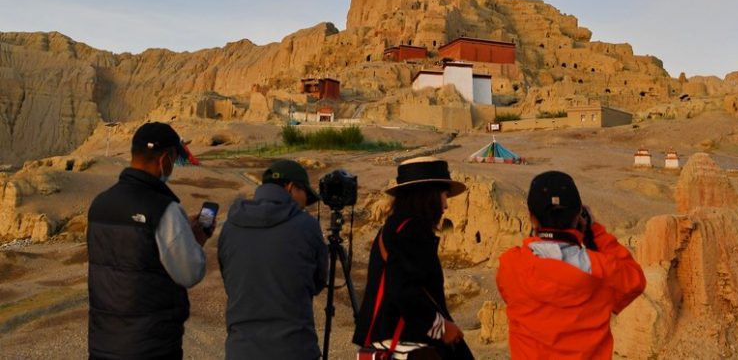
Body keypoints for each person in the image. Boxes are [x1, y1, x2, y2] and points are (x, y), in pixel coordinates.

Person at [87, 121, 209, 360]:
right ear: (165, 159)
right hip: (151, 347)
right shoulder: (164, 209)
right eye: (173, 160)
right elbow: (191, 272)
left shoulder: (99, 204)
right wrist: (195, 239)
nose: (172, 166)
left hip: (103, 344)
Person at [496, 171, 646, 359]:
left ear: (531, 217)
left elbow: (509, 294)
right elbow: (635, 280)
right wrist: (595, 231)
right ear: (578, 216)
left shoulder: (510, 265)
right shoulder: (602, 269)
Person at [353, 156, 474, 360]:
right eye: (444, 195)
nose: (446, 205)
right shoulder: (411, 229)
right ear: (429, 195)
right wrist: (441, 327)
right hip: (406, 343)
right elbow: (403, 288)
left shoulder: (395, 227)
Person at [218, 159, 328, 360]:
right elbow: (318, 282)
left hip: (241, 351)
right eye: (305, 196)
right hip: (294, 350)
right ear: (291, 188)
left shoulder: (230, 225)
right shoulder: (307, 226)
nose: (305, 206)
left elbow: (229, 280)